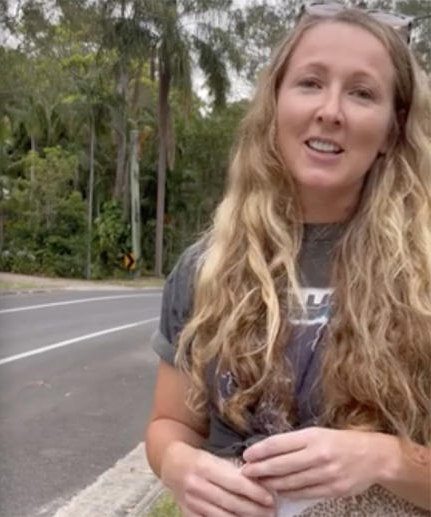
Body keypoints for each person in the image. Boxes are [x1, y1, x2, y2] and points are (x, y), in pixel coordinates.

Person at [144, 3, 431, 516]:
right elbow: (170, 425)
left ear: (393, 129)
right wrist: (177, 466)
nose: (331, 110)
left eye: (363, 93)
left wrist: (386, 458)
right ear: (275, 104)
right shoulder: (205, 267)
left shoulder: (423, 273)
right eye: (310, 83)